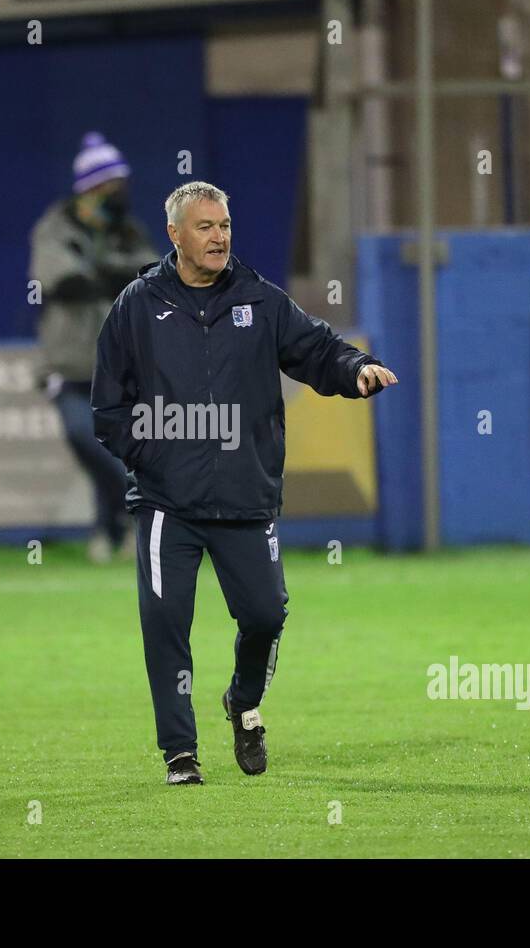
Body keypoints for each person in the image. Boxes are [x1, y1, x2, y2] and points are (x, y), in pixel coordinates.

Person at [92, 180, 398, 784]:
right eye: (205, 227)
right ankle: (180, 753)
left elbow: (316, 350)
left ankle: (242, 702)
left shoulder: (259, 300)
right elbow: (109, 407)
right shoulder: (136, 305)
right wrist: (152, 456)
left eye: (225, 225)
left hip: (243, 495)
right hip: (166, 503)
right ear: (175, 235)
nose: (219, 236)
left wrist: (355, 367)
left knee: (264, 615)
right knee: (164, 623)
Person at [28, 132, 159, 562]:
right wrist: (113, 276)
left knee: (114, 445)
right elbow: (63, 279)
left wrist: (104, 272)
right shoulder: (55, 228)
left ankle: (109, 530)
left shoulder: (128, 232)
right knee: (84, 437)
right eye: (110, 186)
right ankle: (144, 510)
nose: (119, 194)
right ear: (89, 189)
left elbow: (154, 275)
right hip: (68, 362)